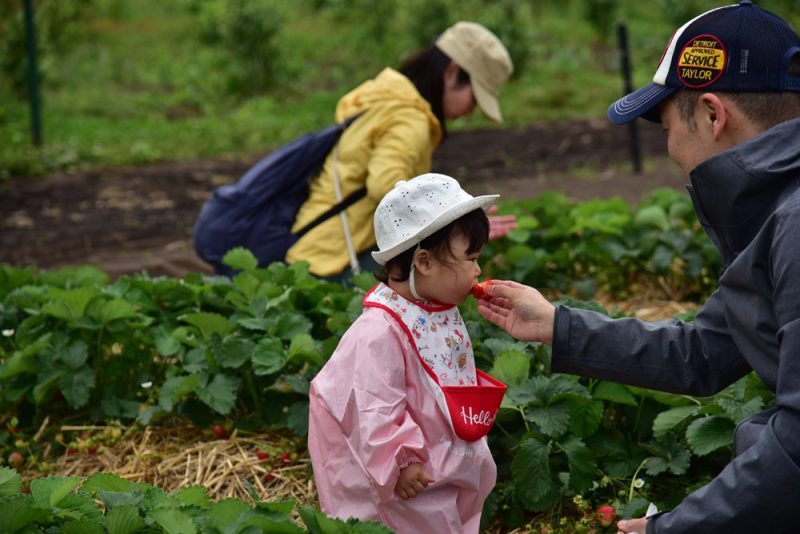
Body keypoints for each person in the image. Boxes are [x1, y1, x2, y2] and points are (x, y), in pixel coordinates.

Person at [476, 2, 800, 533]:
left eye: (669, 124)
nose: (670, 147)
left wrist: (667, 530)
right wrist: (556, 325)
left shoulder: (795, 222)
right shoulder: (779, 208)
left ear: (715, 115)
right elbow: (706, 352)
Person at [308, 173, 507, 533]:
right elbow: (373, 404)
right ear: (425, 262)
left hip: (437, 461)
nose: (478, 270)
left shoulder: (433, 307)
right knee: (410, 519)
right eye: (471, 258)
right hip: (402, 473)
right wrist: (400, 461)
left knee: (445, 515)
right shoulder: (378, 331)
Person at [285, 21, 518, 280]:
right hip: (334, 264)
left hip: (313, 250)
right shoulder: (411, 121)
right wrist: (449, 218)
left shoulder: (390, 99)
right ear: (452, 73)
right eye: (475, 97)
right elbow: (384, 185)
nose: (471, 110)